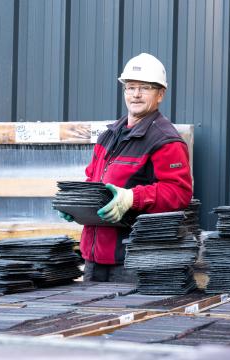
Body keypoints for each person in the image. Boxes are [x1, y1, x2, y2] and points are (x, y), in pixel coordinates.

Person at [59, 53, 193, 282]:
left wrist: (132, 197)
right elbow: (93, 180)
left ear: (160, 94)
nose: (136, 94)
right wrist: (75, 204)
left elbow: (179, 193)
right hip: (93, 258)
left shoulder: (165, 141)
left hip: (132, 261)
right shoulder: (108, 136)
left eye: (145, 88)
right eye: (130, 87)